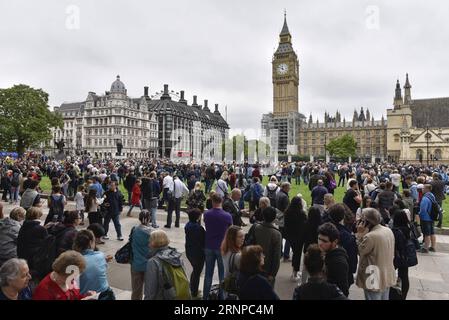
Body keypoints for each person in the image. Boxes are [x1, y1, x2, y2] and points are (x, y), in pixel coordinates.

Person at [356, 208, 396, 300]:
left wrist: (359, 235)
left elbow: (360, 251)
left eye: (362, 220)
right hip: (387, 272)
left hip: (373, 275)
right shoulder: (387, 230)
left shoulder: (370, 236)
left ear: (367, 221)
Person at [202, 193, 233, 300]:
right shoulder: (227, 216)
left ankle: (205, 297)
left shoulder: (206, 214)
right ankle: (222, 297)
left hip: (209, 245)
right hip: (222, 246)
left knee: (208, 274)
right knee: (222, 275)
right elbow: (230, 231)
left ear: (212, 201)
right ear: (222, 201)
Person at [144, 230, 188, 300]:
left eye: (149, 241)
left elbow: (150, 291)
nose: (148, 244)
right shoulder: (176, 257)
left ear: (153, 243)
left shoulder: (153, 262)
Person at [73, 230, 115, 300]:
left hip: (84, 295)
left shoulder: (73, 261)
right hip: (104, 293)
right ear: (90, 242)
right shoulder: (100, 255)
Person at [252, 206, 282, 286]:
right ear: (274, 217)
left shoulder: (256, 227)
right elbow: (277, 256)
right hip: (268, 270)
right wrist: (273, 273)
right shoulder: (276, 234)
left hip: (255, 266)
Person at [317, 223, 350, 297]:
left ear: (335, 242)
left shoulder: (339, 263)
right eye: (319, 239)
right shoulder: (324, 252)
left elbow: (343, 292)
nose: (320, 243)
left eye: (324, 241)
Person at [129, 210, 153, 300]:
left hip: (136, 264)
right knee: (150, 291)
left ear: (139, 218)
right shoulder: (153, 233)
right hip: (150, 265)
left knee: (136, 290)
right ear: (149, 219)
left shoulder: (134, 230)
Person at [17, 207, 48, 277]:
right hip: (34, 258)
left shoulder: (23, 226)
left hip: (22, 254)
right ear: (38, 216)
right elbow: (47, 242)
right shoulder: (40, 229)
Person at [391, 210, 414, 300]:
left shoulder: (395, 231)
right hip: (405, 256)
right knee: (404, 276)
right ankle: (403, 296)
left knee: (389, 273)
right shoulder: (408, 227)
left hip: (396, 256)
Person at [283, 196, 307, 282]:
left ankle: (295, 270)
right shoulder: (302, 213)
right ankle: (295, 272)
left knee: (295, 253)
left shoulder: (287, 212)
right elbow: (305, 225)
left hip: (290, 236)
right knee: (297, 254)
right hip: (299, 237)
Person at [184, 209, 205, 299]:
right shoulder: (198, 228)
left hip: (189, 251)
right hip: (198, 252)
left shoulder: (188, 225)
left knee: (195, 270)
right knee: (197, 272)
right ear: (198, 217)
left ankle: (192, 287)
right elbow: (204, 239)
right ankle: (194, 292)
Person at [301, 206, 322, 284]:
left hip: (307, 248)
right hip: (318, 248)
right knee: (317, 268)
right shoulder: (321, 225)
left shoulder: (305, 224)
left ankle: (303, 283)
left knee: (305, 267)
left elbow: (303, 236)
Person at [417, 184, 438, 253]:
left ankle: (425, 248)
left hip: (426, 218)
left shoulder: (425, 198)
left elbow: (423, 209)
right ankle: (433, 247)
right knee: (432, 232)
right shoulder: (432, 196)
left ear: (427, 189)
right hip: (432, 217)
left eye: (423, 188)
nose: (422, 189)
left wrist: (419, 215)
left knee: (426, 234)